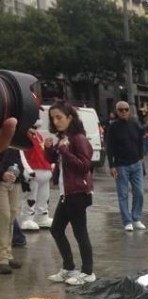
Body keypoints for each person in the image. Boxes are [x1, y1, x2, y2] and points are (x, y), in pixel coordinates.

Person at [43, 101, 96, 285]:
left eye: (59, 117)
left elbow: (84, 166)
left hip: (78, 192)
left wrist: (65, 151)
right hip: (67, 193)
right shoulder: (63, 138)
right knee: (56, 229)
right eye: (53, 118)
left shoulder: (78, 138)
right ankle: (68, 267)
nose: (55, 121)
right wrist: (50, 150)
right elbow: (57, 162)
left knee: (80, 232)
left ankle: (88, 272)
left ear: (70, 118)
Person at [105, 101, 147, 231]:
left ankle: (136, 218)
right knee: (123, 194)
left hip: (136, 163)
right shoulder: (113, 127)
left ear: (129, 110)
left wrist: (141, 157)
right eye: (121, 110)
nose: (124, 112)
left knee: (139, 192)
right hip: (121, 165)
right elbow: (109, 147)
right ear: (117, 112)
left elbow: (140, 140)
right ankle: (127, 221)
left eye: (126, 109)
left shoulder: (134, 124)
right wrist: (112, 165)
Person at [19, 122, 53, 229]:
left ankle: (42, 216)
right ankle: (27, 218)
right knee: (30, 196)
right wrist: (26, 169)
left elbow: (42, 152)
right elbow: (21, 154)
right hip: (33, 171)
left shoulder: (38, 135)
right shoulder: (23, 136)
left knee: (44, 196)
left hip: (45, 171)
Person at [0, 148, 24, 274]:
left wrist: (21, 172)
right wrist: (2, 173)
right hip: (1, 180)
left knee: (11, 216)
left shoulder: (15, 136)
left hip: (15, 180)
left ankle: (7, 254)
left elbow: (19, 157)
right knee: (4, 217)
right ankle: (2, 258)